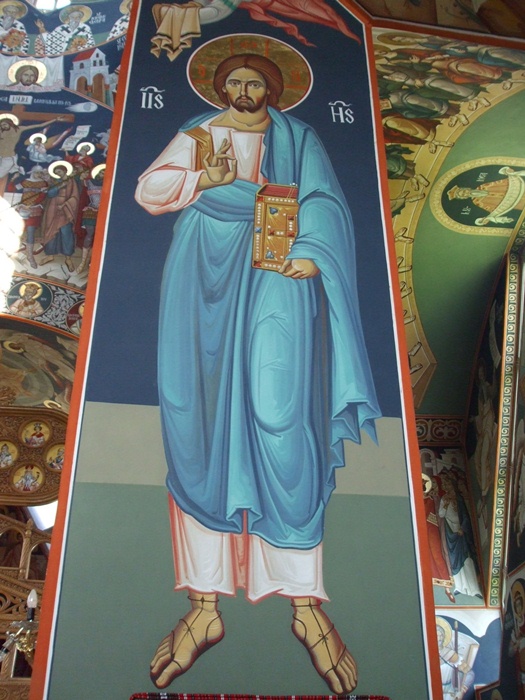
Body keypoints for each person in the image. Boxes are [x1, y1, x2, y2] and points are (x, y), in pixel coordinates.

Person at [135, 51, 380, 694]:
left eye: (254, 82)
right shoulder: (199, 131)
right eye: (234, 82)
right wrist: (203, 179)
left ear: (273, 88)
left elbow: (326, 202)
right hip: (202, 269)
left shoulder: (300, 138)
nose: (244, 91)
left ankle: (306, 605)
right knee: (197, 423)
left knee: (282, 418)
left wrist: (312, 253)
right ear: (221, 87)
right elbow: (149, 191)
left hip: (278, 267)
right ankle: (204, 606)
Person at [40, 161, 79, 271]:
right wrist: (59, 186)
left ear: (65, 171)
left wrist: (65, 204)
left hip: (66, 210)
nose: (58, 174)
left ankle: (68, 258)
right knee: (50, 230)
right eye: (56, 172)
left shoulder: (71, 181)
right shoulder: (55, 181)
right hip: (53, 208)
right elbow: (50, 193)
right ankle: (50, 255)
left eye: (59, 171)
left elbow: (75, 196)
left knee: (66, 232)